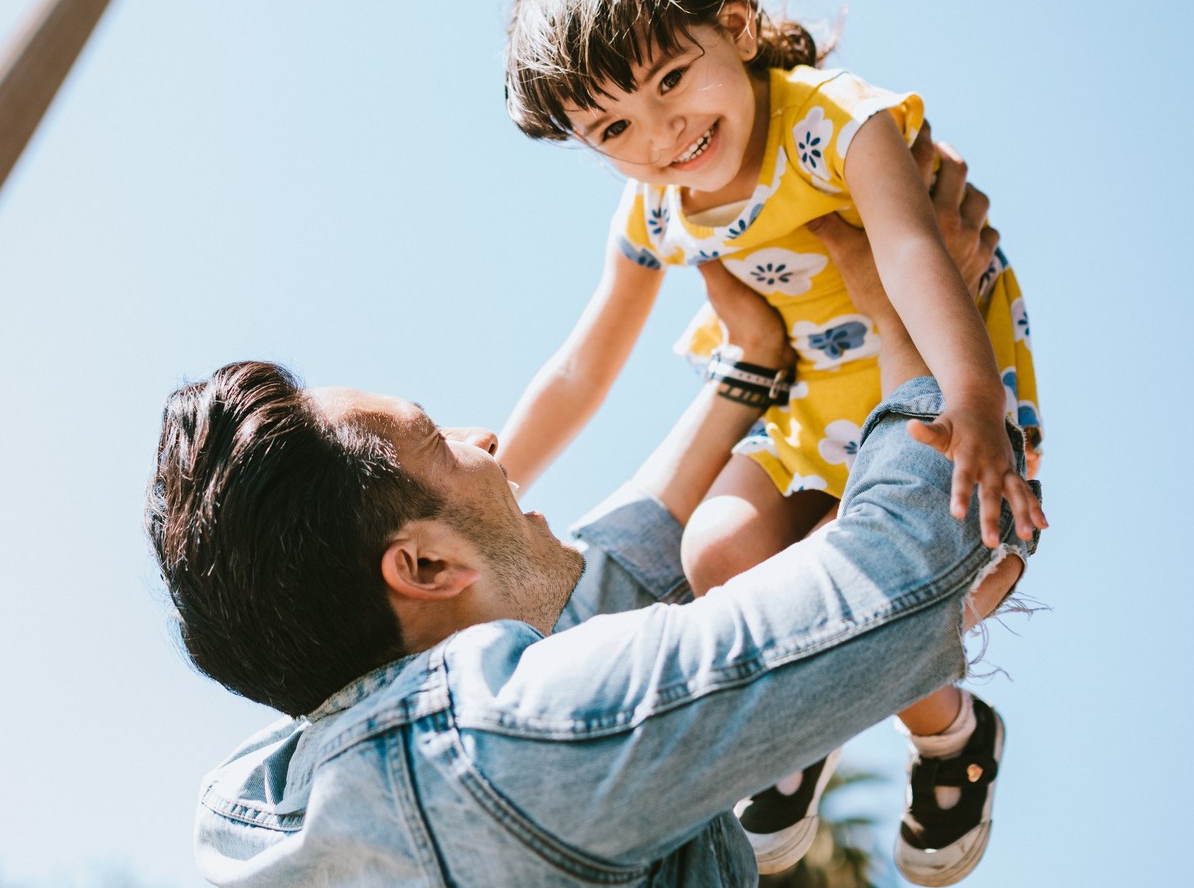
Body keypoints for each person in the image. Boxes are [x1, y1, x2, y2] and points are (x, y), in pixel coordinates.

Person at [145, 148, 1042, 887]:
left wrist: (751, 369)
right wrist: (905, 316)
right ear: (419, 569)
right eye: (433, 438)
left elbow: (600, 585)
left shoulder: (261, 802)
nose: (484, 436)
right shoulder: (511, 754)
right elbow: (902, 576)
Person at [497, 0, 1045, 879]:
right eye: (614, 125)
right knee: (716, 546)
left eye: (672, 78)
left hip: (919, 361)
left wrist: (967, 396)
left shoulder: (835, 123)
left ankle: (954, 737)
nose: (664, 133)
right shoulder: (655, 213)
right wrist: (494, 496)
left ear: (738, 26)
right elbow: (582, 369)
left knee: (871, 570)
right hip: (808, 400)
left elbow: (917, 252)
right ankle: (805, 719)